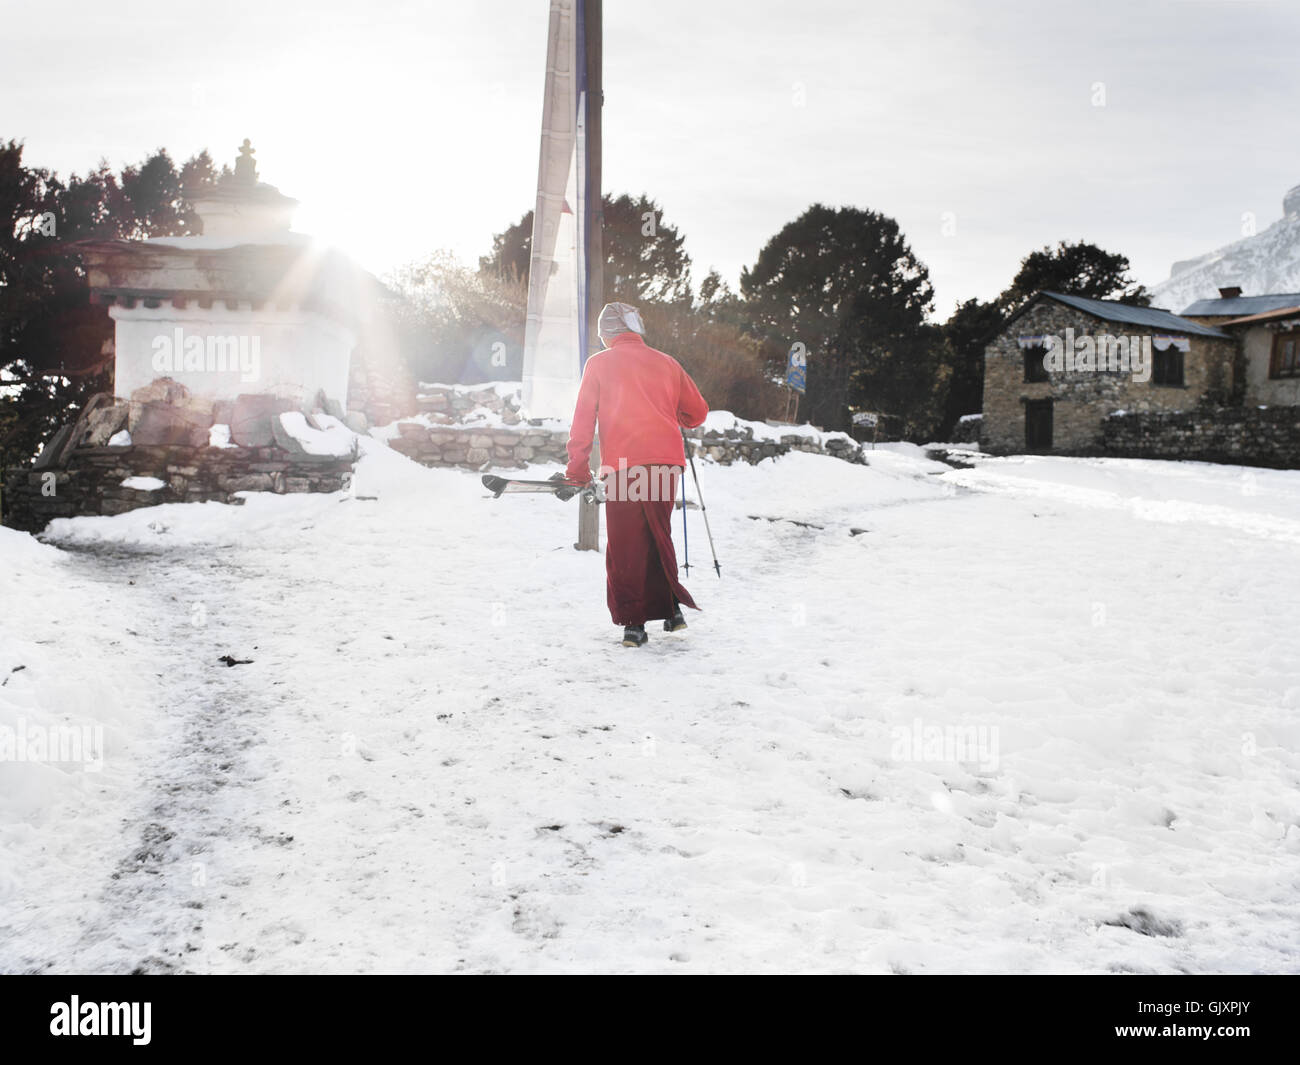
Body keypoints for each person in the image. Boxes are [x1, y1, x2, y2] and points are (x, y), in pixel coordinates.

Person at [565, 302, 709, 647]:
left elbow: (583, 420)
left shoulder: (598, 364)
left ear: (606, 334)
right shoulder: (667, 363)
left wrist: (577, 469)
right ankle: (672, 612)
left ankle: (635, 625)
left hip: (624, 465)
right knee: (658, 534)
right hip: (665, 463)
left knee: (627, 543)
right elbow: (698, 412)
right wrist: (677, 418)